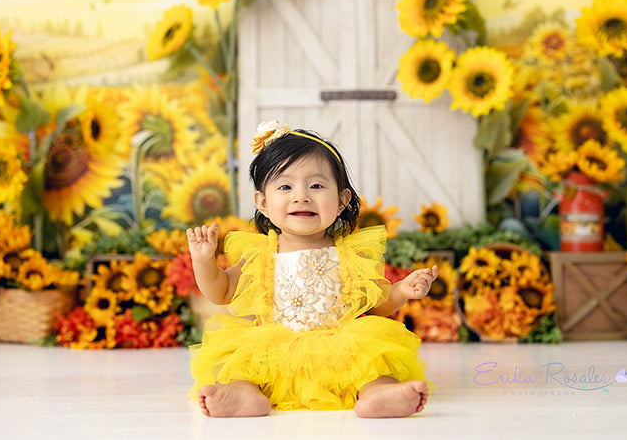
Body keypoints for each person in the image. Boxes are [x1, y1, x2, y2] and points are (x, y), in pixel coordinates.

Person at [186, 120, 438, 418]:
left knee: (371, 358)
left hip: (340, 344)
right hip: (273, 345)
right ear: (263, 203)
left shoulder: (348, 253)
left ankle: (378, 392)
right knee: (244, 363)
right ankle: (244, 395)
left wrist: (401, 290)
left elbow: (375, 305)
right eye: (285, 186)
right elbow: (221, 291)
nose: (301, 196)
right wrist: (204, 260)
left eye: (316, 185)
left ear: (342, 199)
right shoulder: (262, 253)